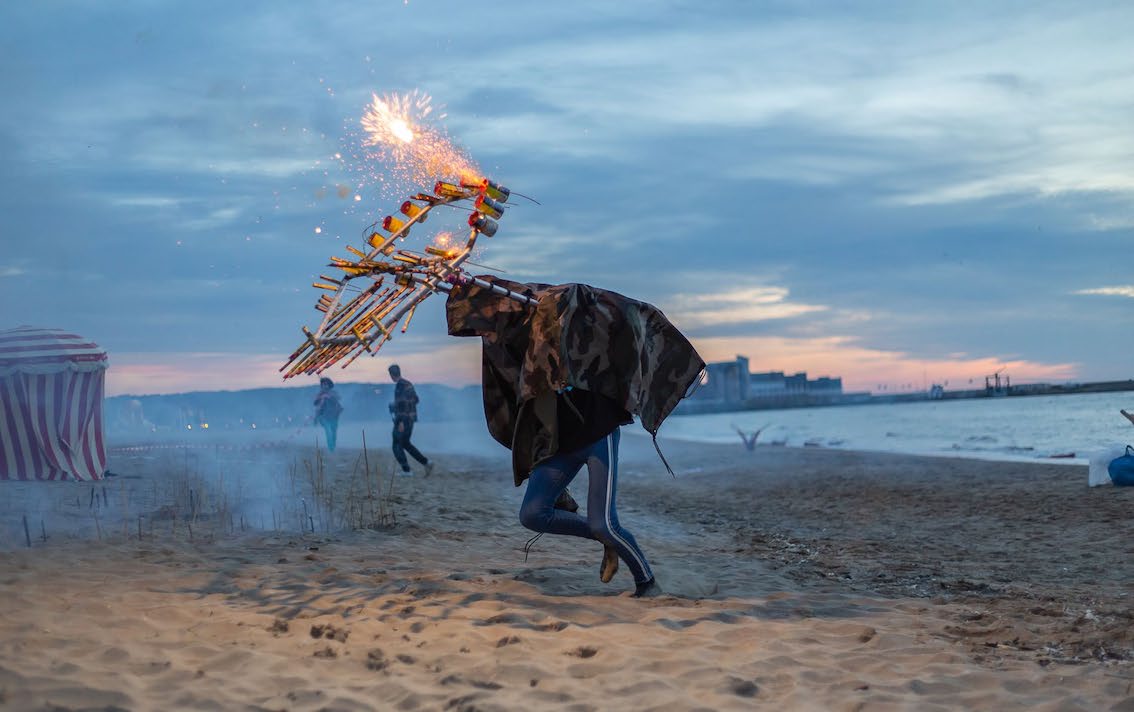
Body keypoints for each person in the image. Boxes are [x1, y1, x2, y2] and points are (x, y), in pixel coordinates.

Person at [446, 276, 705, 598]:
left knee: (604, 523)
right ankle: (607, 542)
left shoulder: (584, 341)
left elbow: (579, 303)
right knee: (532, 515)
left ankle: (647, 583)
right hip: (561, 443)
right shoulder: (521, 350)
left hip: (597, 437)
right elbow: (510, 317)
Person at [388, 364, 432, 476]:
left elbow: (403, 404)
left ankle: (406, 470)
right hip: (411, 418)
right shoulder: (408, 384)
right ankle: (426, 462)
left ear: (392, 374)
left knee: (396, 444)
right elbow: (416, 400)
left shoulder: (400, 386)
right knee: (406, 443)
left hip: (403, 419)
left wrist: (401, 421)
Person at [313, 377, 342, 452]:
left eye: (326, 384)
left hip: (334, 416)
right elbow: (315, 403)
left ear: (329, 385)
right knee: (328, 431)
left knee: (333, 433)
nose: (325, 386)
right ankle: (331, 449)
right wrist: (321, 397)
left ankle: (333, 447)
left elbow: (338, 398)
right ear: (321, 385)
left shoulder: (333, 393)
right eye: (323, 384)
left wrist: (329, 397)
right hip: (323, 417)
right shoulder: (320, 394)